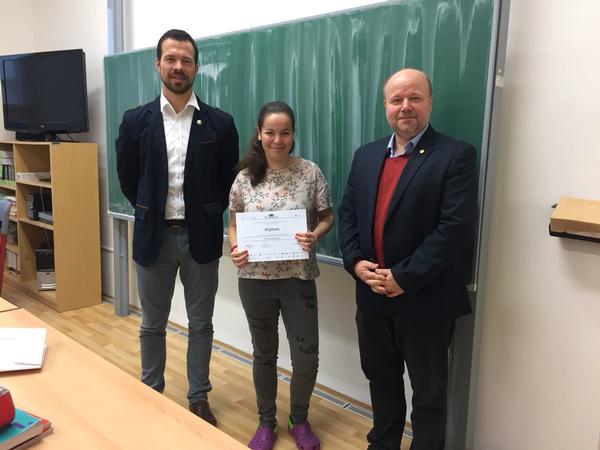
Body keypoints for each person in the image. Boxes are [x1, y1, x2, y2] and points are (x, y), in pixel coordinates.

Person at [338, 68, 478, 450]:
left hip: (425, 299)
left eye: (414, 98)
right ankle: (382, 444)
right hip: (371, 297)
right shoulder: (366, 155)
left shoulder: (456, 155)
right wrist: (353, 263)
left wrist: (404, 277)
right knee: (381, 381)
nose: (405, 107)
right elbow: (348, 214)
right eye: (396, 99)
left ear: (430, 101)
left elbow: (455, 230)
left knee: (429, 396)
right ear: (385, 105)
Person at [115, 29, 239, 427]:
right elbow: (128, 178)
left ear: (197, 67)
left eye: (186, 60)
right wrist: (149, 209)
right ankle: (150, 391)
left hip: (201, 238)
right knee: (152, 324)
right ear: (158, 64)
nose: (178, 67)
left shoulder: (220, 123)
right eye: (171, 59)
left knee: (201, 324)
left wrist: (205, 212)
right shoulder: (136, 121)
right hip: (154, 236)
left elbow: (227, 181)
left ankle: (198, 396)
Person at [228, 101, 333, 450]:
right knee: (264, 354)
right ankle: (266, 422)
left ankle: (298, 419)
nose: (277, 139)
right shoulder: (244, 178)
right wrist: (235, 249)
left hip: (298, 279)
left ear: (293, 134)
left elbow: (326, 217)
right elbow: (233, 226)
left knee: (306, 355)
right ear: (259, 134)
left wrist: (314, 235)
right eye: (270, 132)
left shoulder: (310, 173)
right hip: (255, 281)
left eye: (284, 132)